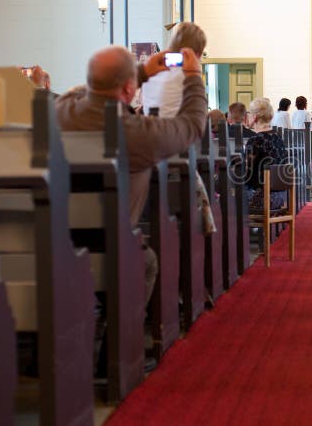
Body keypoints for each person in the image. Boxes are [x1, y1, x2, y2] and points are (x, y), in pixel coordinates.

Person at [55, 45, 207, 311]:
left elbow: (81, 92)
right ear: (128, 89)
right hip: (110, 245)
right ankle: (120, 339)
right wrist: (194, 77)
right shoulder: (136, 132)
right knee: (147, 264)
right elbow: (192, 126)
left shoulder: (59, 113)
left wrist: (139, 73)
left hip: (55, 238)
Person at [140, 22, 206, 118]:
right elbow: (198, 116)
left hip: (149, 128)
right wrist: (195, 74)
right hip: (177, 129)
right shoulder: (189, 77)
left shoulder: (150, 73)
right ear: (198, 54)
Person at [243, 98, 289, 211]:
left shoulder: (255, 140)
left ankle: (241, 228)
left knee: (225, 195)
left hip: (261, 199)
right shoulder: (278, 138)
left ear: (254, 117)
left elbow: (246, 174)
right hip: (280, 197)